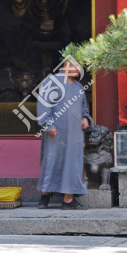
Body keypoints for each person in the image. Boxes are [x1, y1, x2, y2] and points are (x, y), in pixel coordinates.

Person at [36, 59, 92, 210]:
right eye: (72, 65)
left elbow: (84, 110)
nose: (76, 68)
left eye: (78, 66)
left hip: (74, 134)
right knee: (51, 162)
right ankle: (44, 196)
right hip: (56, 132)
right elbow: (44, 104)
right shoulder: (52, 82)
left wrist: (86, 119)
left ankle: (68, 200)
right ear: (64, 66)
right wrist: (48, 124)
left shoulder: (79, 87)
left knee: (72, 165)